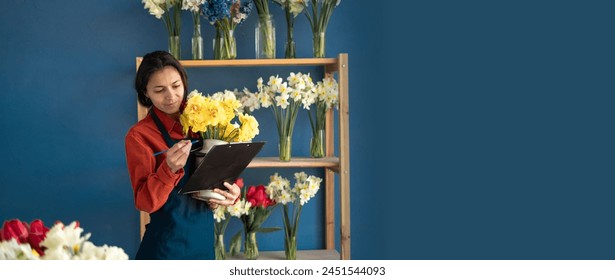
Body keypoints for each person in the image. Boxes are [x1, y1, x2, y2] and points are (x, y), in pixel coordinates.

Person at [125, 50, 240, 260]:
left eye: (176, 86)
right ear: (146, 93)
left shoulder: (205, 119)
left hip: (204, 245)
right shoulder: (139, 136)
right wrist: (168, 169)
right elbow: (144, 202)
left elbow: (223, 169)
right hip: (164, 250)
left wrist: (232, 192)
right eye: (159, 90)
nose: (171, 96)